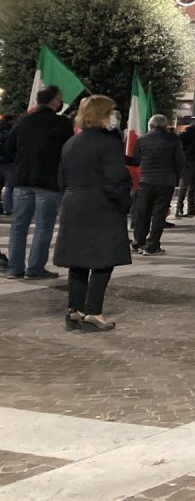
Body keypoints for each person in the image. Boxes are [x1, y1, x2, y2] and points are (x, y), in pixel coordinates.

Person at [52, 95, 132, 331]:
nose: (114, 116)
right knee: (103, 260)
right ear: (103, 114)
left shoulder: (71, 142)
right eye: (112, 111)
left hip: (73, 202)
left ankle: (74, 309)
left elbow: (61, 178)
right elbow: (115, 178)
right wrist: (125, 203)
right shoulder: (109, 143)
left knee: (77, 261)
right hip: (100, 205)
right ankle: (93, 312)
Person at [6, 85, 74, 280]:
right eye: (60, 98)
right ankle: (35, 268)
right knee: (43, 226)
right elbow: (67, 151)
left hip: (22, 179)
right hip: (47, 180)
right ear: (54, 100)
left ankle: (14, 268)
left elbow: (9, 148)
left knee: (19, 225)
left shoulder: (23, 120)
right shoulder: (61, 123)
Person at [132, 114, 185, 256]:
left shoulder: (142, 139)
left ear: (151, 125)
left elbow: (136, 160)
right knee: (159, 215)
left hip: (145, 180)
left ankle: (139, 242)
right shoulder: (173, 140)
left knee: (143, 213)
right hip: (165, 181)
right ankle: (152, 245)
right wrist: (176, 176)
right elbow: (180, 161)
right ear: (165, 125)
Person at [176, 116, 195, 221]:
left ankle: (189, 208)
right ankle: (181, 208)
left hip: (191, 160)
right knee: (186, 185)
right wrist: (188, 152)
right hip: (190, 160)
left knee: (190, 185)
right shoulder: (192, 130)